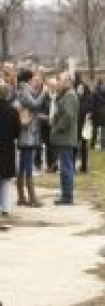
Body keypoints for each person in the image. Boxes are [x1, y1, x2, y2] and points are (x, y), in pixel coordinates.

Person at [17, 70, 47, 206]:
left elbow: (34, 99)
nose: (35, 80)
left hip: (26, 134)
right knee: (27, 165)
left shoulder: (24, 90)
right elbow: (35, 104)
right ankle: (32, 198)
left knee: (23, 165)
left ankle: (22, 197)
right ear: (28, 79)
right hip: (27, 135)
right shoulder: (24, 91)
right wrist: (44, 92)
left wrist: (40, 90)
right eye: (33, 78)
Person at [51, 72, 79, 205]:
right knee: (65, 166)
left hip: (66, 137)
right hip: (65, 137)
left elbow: (68, 115)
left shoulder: (70, 96)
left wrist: (58, 128)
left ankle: (67, 196)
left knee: (66, 167)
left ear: (68, 82)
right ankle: (66, 194)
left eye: (61, 80)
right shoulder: (66, 95)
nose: (58, 83)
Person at [0, 83, 22, 217]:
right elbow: (17, 132)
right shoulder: (13, 111)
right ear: (8, 94)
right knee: (6, 180)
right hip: (7, 148)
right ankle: (6, 208)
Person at [37, 77, 57, 172]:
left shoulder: (59, 96)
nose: (53, 88)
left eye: (54, 86)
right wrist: (46, 117)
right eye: (51, 86)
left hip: (56, 124)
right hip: (45, 124)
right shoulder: (44, 97)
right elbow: (38, 112)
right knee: (48, 145)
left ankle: (54, 164)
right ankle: (49, 165)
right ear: (48, 86)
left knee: (55, 145)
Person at [75, 77, 93, 173]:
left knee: (84, 146)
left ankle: (84, 166)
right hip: (76, 125)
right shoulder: (75, 98)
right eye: (78, 89)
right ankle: (75, 164)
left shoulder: (88, 98)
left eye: (81, 89)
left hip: (84, 125)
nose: (79, 90)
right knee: (75, 146)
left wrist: (88, 114)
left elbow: (90, 109)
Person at [91, 77, 105, 151]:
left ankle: (92, 145)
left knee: (95, 129)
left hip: (96, 111)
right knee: (103, 130)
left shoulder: (94, 90)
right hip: (103, 111)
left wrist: (92, 110)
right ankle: (104, 146)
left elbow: (92, 102)